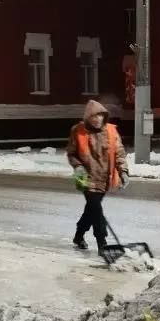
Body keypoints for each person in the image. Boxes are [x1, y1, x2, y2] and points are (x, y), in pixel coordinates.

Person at [66, 99, 129, 252]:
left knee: (91, 210)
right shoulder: (78, 130)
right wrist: (78, 166)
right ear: (88, 117)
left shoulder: (111, 132)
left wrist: (124, 172)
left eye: (100, 116)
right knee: (96, 210)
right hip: (86, 178)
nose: (97, 119)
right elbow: (71, 153)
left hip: (104, 179)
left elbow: (119, 154)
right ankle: (102, 243)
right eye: (94, 116)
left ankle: (78, 235)